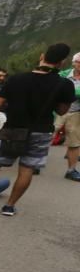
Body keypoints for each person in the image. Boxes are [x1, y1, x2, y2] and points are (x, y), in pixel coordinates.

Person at [0, 43, 76, 214]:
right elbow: (61, 111)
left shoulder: (16, 78)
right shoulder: (64, 84)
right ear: (62, 62)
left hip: (12, 128)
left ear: (42, 56)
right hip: (41, 131)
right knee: (27, 168)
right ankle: (10, 205)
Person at [62, 53, 80, 181]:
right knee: (47, 135)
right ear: (73, 62)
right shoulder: (63, 74)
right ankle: (34, 164)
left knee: (74, 141)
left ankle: (71, 170)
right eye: (78, 62)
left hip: (75, 112)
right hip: (58, 111)